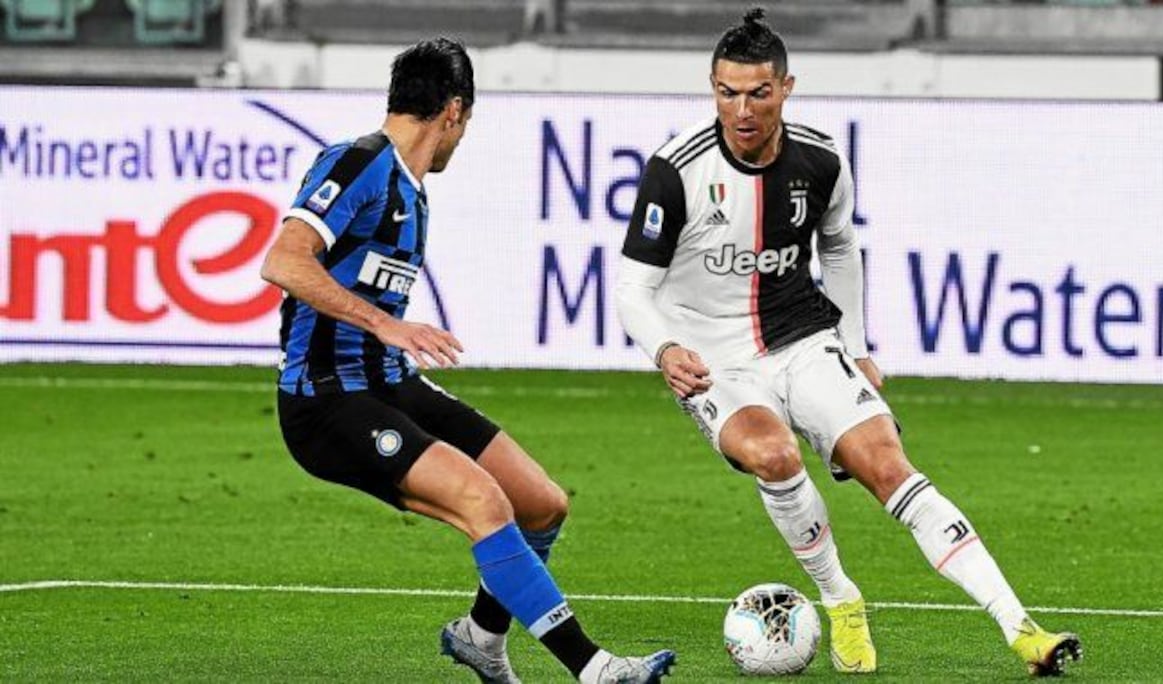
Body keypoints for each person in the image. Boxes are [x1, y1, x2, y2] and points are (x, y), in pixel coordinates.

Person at [614, 8, 1081, 677]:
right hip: (715, 358)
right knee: (772, 455)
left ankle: (1022, 629)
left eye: (757, 93)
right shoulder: (675, 170)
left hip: (803, 338)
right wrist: (664, 349)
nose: (740, 110)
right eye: (726, 92)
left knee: (890, 466)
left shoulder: (822, 159)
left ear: (786, 87)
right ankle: (840, 599)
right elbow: (631, 288)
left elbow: (840, 245)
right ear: (712, 88)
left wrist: (856, 344)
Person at [261, 37, 675, 684]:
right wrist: (384, 324)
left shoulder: (411, 188)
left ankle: (481, 637)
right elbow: (283, 260)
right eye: (466, 124)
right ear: (454, 112)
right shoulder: (360, 163)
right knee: (484, 502)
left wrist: (388, 338)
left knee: (540, 503)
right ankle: (595, 670)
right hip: (325, 400)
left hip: (390, 385)